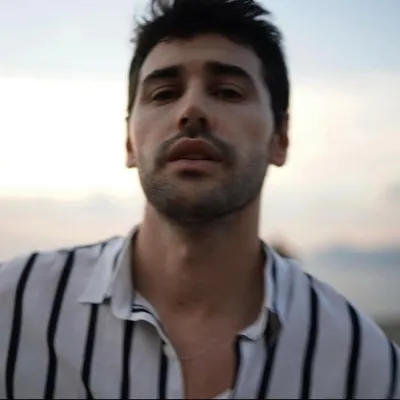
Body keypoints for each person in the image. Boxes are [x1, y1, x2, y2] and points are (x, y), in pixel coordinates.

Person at [0, 0, 398, 398]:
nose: (191, 110)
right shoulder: (13, 308)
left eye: (227, 92)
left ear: (280, 137)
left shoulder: (368, 368)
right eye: (163, 93)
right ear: (129, 142)